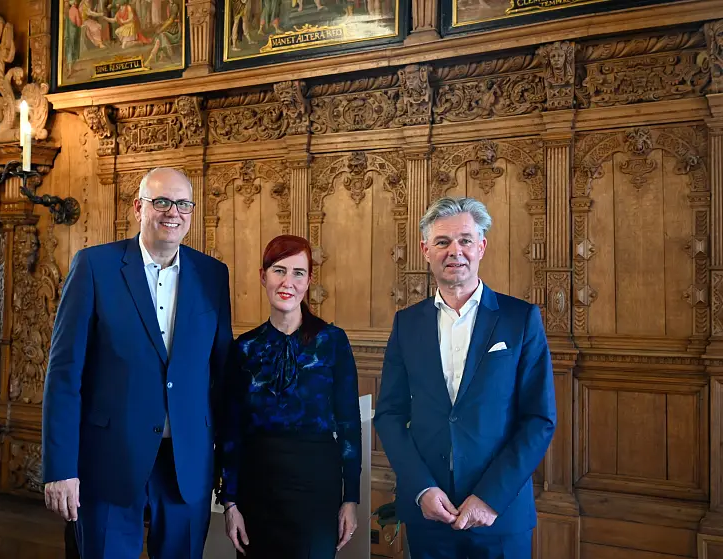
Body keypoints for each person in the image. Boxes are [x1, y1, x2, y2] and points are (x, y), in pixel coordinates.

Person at [42, 167, 233, 559]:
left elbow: (222, 376)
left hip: (186, 464)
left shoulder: (212, 275)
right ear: (138, 208)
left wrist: (227, 470)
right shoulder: (94, 267)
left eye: (183, 204)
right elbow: (64, 376)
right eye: (161, 201)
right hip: (109, 460)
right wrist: (61, 468)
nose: (173, 212)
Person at [374, 196, 556, 559]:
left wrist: (490, 498)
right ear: (426, 250)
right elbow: (390, 415)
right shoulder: (407, 323)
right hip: (430, 514)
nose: (454, 251)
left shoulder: (520, 319)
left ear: (481, 247)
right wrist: (422, 489)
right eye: (442, 242)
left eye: (465, 240)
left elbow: (539, 419)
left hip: (499, 515)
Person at [219, 234, 361, 559]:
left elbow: (349, 427)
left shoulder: (332, 342)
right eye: (279, 270)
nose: (288, 282)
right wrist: (230, 502)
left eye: (298, 273)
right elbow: (231, 430)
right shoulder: (244, 348)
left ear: (309, 281)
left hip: (317, 488)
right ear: (263, 276)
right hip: (257, 487)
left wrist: (351, 498)